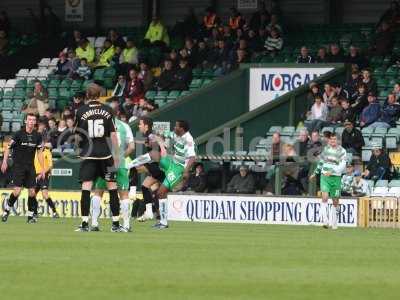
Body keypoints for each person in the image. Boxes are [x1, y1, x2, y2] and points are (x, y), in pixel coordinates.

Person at [127, 120, 196, 229]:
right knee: (154, 154)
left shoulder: (188, 139)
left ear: (182, 129)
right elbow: (160, 136)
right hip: (171, 162)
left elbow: (192, 157)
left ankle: (163, 222)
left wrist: (186, 171)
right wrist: (162, 145)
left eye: (176, 126)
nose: (174, 127)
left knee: (161, 192)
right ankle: (130, 165)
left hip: (179, 169)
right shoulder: (175, 134)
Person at [74, 84, 121, 232]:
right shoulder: (108, 110)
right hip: (106, 155)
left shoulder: (81, 111)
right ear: (100, 94)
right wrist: (117, 155)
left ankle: (84, 223)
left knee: (86, 189)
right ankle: (115, 224)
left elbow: (77, 134)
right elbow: (113, 135)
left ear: (87, 95)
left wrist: (78, 148)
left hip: (88, 155)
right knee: (112, 188)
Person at [91, 115, 135, 232]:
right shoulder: (125, 126)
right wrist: (121, 157)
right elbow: (132, 147)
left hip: (104, 162)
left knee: (98, 192)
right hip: (120, 163)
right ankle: (126, 225)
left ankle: (94, 223)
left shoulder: (100, 125)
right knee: (124, 194)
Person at [1, 114, 45, 223]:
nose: (31, 121)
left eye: (33, 120)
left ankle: (30, 217)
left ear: (35, 122)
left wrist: (43, 168)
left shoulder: (38, 136)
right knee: (17, 191)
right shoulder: (18, 134)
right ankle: (6, 210)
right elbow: (8, 147)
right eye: (29, 119)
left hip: (30, 167)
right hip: (18, 166)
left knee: (32, 192)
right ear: (25, 121)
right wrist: (5, 161)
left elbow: (39, 153)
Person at [310, 133, 347, 230]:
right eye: (331, 139)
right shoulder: (325, 150)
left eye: (334, 139)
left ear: (338, 140)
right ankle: (325, 221)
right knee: (325, 197)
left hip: (336, 178)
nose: (333, 141)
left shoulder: (342, 151)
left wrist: (333, 171)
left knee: (335, 201)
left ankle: (334, 222)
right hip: (325, 177)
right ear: (329, 140)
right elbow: (321, 162)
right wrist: (315, 173)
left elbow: (342, 166)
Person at [132, 117, 165, 222]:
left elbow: (158, 140)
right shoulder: (148, 136)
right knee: (146, 187)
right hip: (157, 167)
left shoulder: (151, 135)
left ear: (146, 126)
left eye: (140, 124)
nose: (139, 126)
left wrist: (162, 148)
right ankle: (151, 213)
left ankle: (132, 192)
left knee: (133, 166)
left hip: (157, 166)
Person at [34, 128, 59, 218]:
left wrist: (43, 172)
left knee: (45, 194)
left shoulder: (47, 152)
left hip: (44, 175)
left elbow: (50, 165)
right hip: (35, 175)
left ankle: (55, 212)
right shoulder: (35, 151)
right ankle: (34, 213)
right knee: (32, 194)